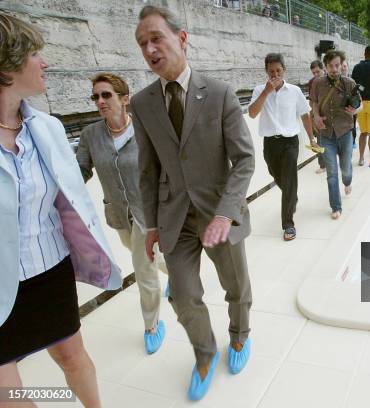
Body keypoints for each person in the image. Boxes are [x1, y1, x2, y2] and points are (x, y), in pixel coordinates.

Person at [133, 6, 255, 401]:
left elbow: (245, 159)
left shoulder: (218, 94)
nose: (149, 49)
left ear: (181, 38)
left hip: (220, 213)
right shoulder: (142, 103)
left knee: (235, 287)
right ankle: (204, 355)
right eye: (142, 44)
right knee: (183, 296)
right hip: (174, 218)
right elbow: (148, 171)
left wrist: (225, 211)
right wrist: (151, 225)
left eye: (156, 38)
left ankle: (239, 336)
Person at [0, 13, 123, 407]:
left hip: (50, 270)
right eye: (35, 53)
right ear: (7, 64)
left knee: (71, 356)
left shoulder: (48, 128)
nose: (44, 62)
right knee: (7, 393)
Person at [77, 72, 168, 354]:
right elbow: (79, 170)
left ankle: (152, 324)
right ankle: (176, 274)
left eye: (106, 95)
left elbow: (164, 167)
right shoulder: (91, 134)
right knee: (146, 256)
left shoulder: (144, 129)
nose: (100, 101)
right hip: (118, 215)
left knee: (143, 270)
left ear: (124, 99)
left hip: (148, 212)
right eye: (96, 96)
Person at [249, 53, 316, 241]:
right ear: (266, 72)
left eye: (278, 70)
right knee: (278, 176)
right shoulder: (259, 90)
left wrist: (312, 139)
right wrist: (266, 92)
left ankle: (288, 224)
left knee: (289, 180)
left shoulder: (294, 91)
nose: (275, 74)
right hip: (270, 143)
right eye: (271, 71)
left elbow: (305, 115)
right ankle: (291, 196)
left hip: (290, 142)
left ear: (284, 70)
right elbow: (253, 113)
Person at [311, 50, 357, 220]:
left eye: (337, 65)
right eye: (330, 66)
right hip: (326, 133)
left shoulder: (350, 83)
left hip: (345, 131)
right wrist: (315, 116)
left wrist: (355, 110)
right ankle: (336, 206)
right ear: (325, 66)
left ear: (342, 64)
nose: (334, 69)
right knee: (331, 172)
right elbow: (314, 102)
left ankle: (347, 181)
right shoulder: (317, 83)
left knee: (345, 168)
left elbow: (359, 105)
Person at [308, 60, 326, 174]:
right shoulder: (312, 83)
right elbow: (310, 101)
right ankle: (322, 165)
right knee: (320, 140)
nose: (315, 75)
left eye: (317, 72)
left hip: (331, 114)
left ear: (323, 69)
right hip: (318, 114)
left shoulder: (330, 79)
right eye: (313, 73)